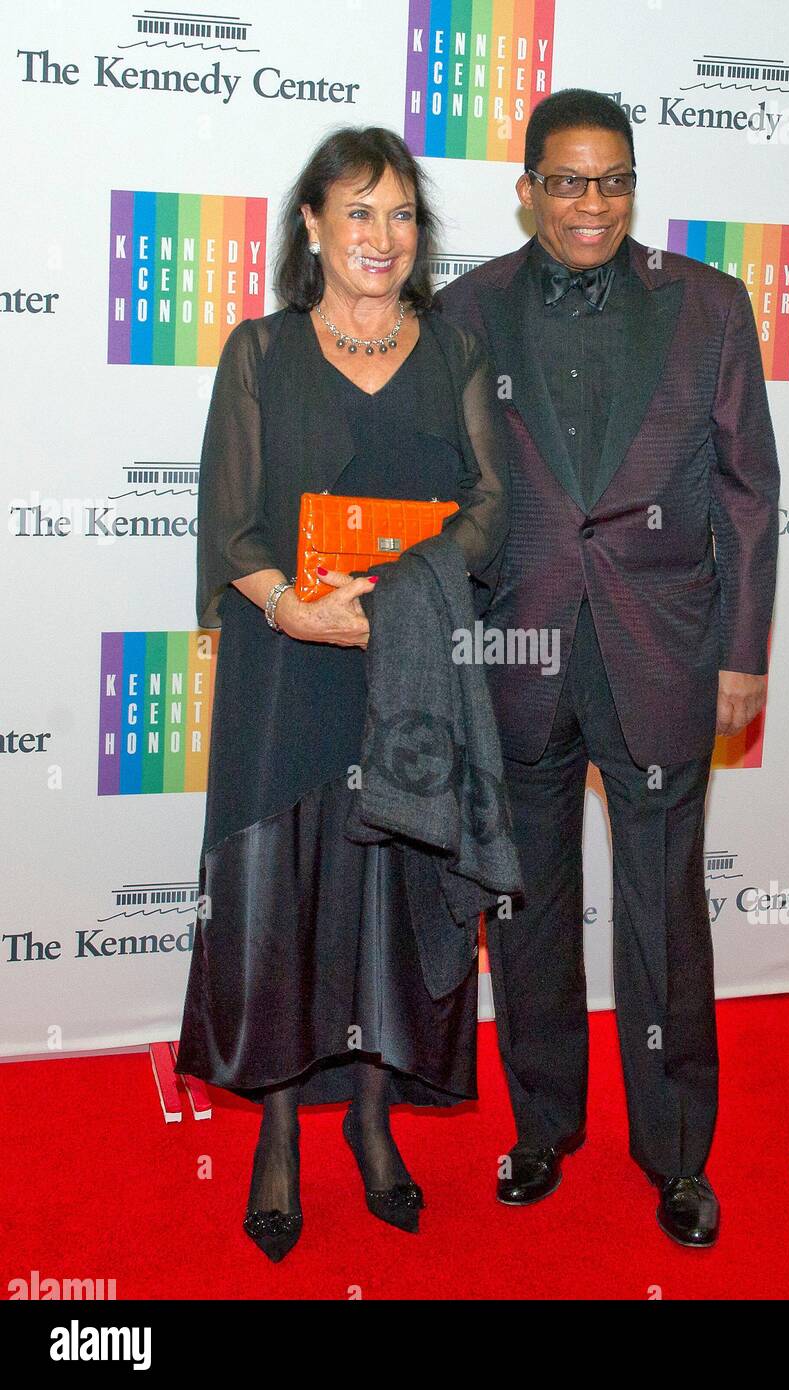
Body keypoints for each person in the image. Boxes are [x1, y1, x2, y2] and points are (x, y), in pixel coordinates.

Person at [437, 88, 780, 1246]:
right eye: (569, 181)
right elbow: (438, 491)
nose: (594, 203)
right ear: (526, 187)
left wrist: (741, 652)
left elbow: (746, 493)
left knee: (662, 914)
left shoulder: (710, 306)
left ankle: (676, 1152)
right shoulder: (465, 308)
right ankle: (542, 1127)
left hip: (662, 651)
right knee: (525, 904)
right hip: (516, 649)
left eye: (615, 179)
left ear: (634, 184)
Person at [174, 126, 510, 1261]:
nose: (382, 235)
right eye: (357, 211)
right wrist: (286, 603)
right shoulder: (260, 352)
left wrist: (399, 593)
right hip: (287, 666)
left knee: (387, 886)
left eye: (402, 213)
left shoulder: (454, 352)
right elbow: (229, 522)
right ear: (310, 225)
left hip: (407, 670)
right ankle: (277, 1130)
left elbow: (486, 509)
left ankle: (371, 1121)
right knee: (282, 899)